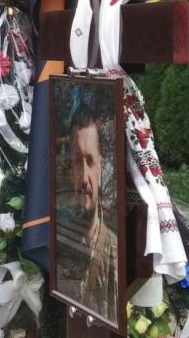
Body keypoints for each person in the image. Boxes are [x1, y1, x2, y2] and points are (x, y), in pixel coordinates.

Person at [70, 109, 117, 319]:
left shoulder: (113, 253)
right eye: (78, 162)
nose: (84, 178)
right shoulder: (65, 239)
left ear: (101, 166)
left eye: (90, 161)